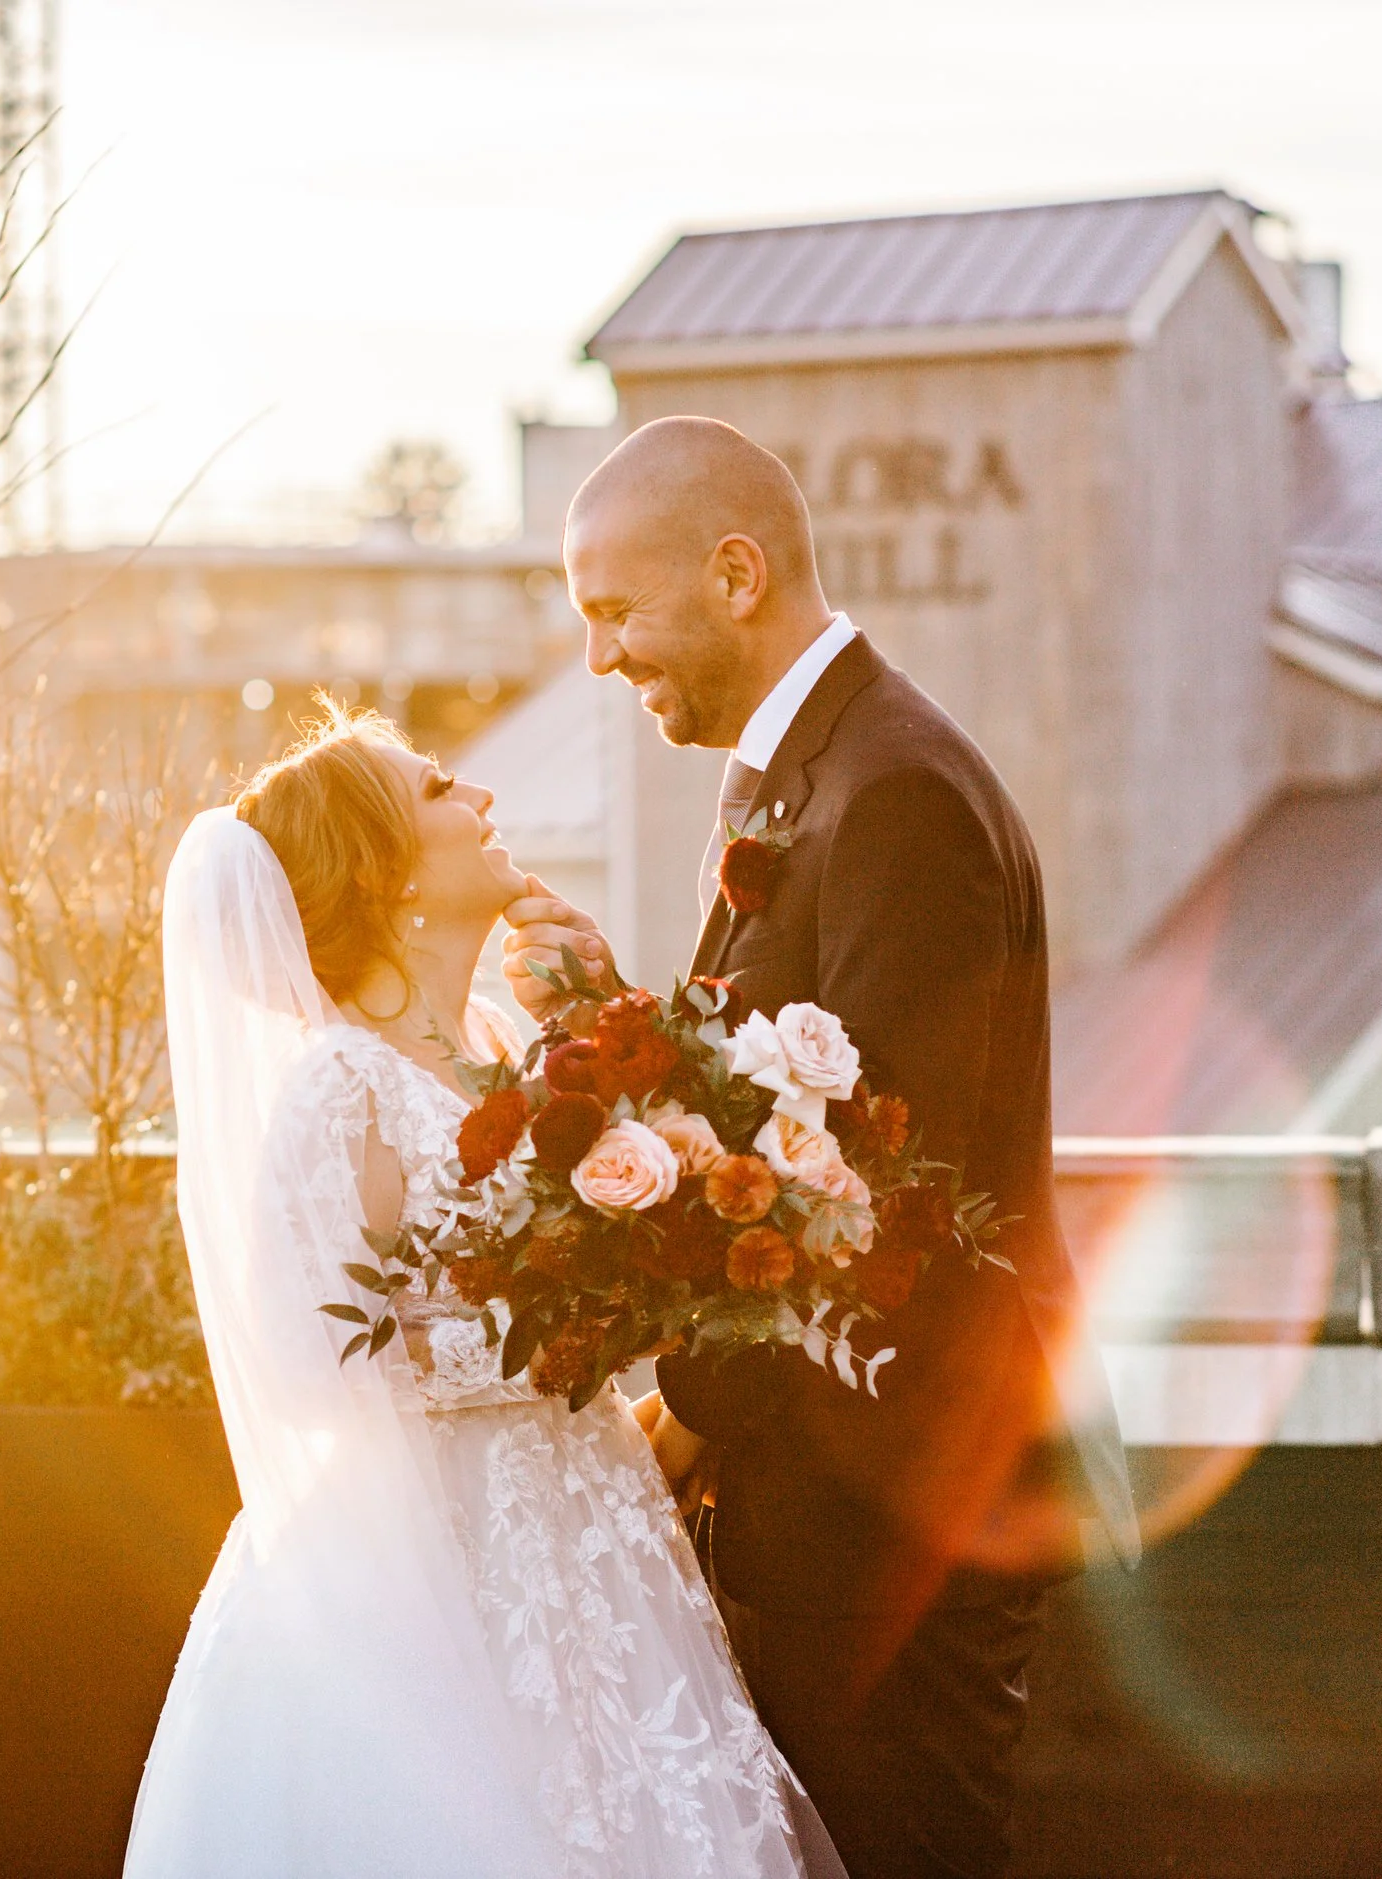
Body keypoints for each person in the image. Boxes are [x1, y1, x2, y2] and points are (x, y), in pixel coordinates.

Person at [500, 416, 1141, 1879]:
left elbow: (878, 1204)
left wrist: (693, 1405)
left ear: (736, 571)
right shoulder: (823, 774)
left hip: (901, 1520)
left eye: (616, 612)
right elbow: (784, 1116)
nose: (599, 660)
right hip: (837, 1509)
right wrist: (616, 1014)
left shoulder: (898, 791)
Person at [124, 706, 842, 1879]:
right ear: (386, 869)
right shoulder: (339, 1087)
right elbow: (309, 1365)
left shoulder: (510, 1046)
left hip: (589, 1529)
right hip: (433, 1566)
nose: (487, 800)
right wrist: (552, 1327)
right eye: (446, 788)